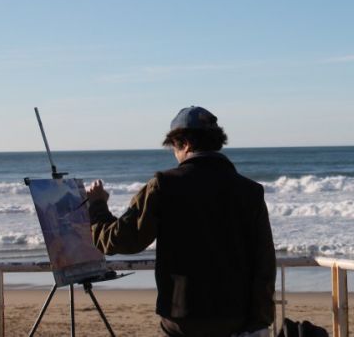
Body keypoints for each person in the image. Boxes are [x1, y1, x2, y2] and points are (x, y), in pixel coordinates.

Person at [86, 106, 276, 337]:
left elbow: (124, 239)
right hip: (237, 315)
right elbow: (264, 262)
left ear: (184, 143)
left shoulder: (165, 185)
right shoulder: (250, 191)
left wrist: (96, 208)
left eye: (174, 147)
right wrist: (260, 320)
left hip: (183, 316)